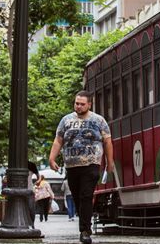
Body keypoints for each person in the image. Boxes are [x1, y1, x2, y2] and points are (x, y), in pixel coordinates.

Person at [49, 90, 114, 244]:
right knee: (78, 197)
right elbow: (58, 140)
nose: (78, 106)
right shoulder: (66, 120)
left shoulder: (99, 121)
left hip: (91, 164)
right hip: (71, 166)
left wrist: (109, 162)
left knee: (86, 195)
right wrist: (52, 158)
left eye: (82, 104)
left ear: (89, 104)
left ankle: (85, 230)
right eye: (76, 103)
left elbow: (107, 142)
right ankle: (83, 224)